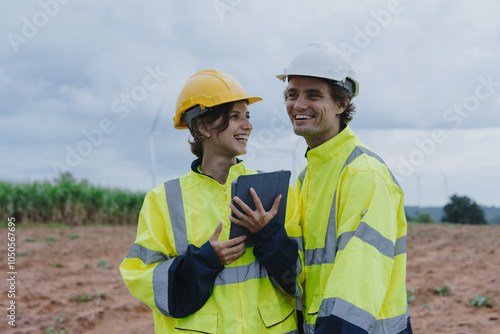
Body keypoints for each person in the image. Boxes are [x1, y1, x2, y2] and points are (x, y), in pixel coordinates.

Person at [120, 69, 302, 333]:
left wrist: (268, 234)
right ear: (204, 126)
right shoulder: (163, 200)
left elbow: (300, 277)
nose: (248, 125)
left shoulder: (276, 191)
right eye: (235, 117)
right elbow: (143, 279)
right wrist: (204, 260)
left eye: (247, 116)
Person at [276, 42, 412, 334]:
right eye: (292, 94)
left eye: (313, 95)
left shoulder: (363, 173)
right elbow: (303, 271)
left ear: (341, 103)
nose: (298, 105)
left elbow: (358, 280)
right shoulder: (305, 178)